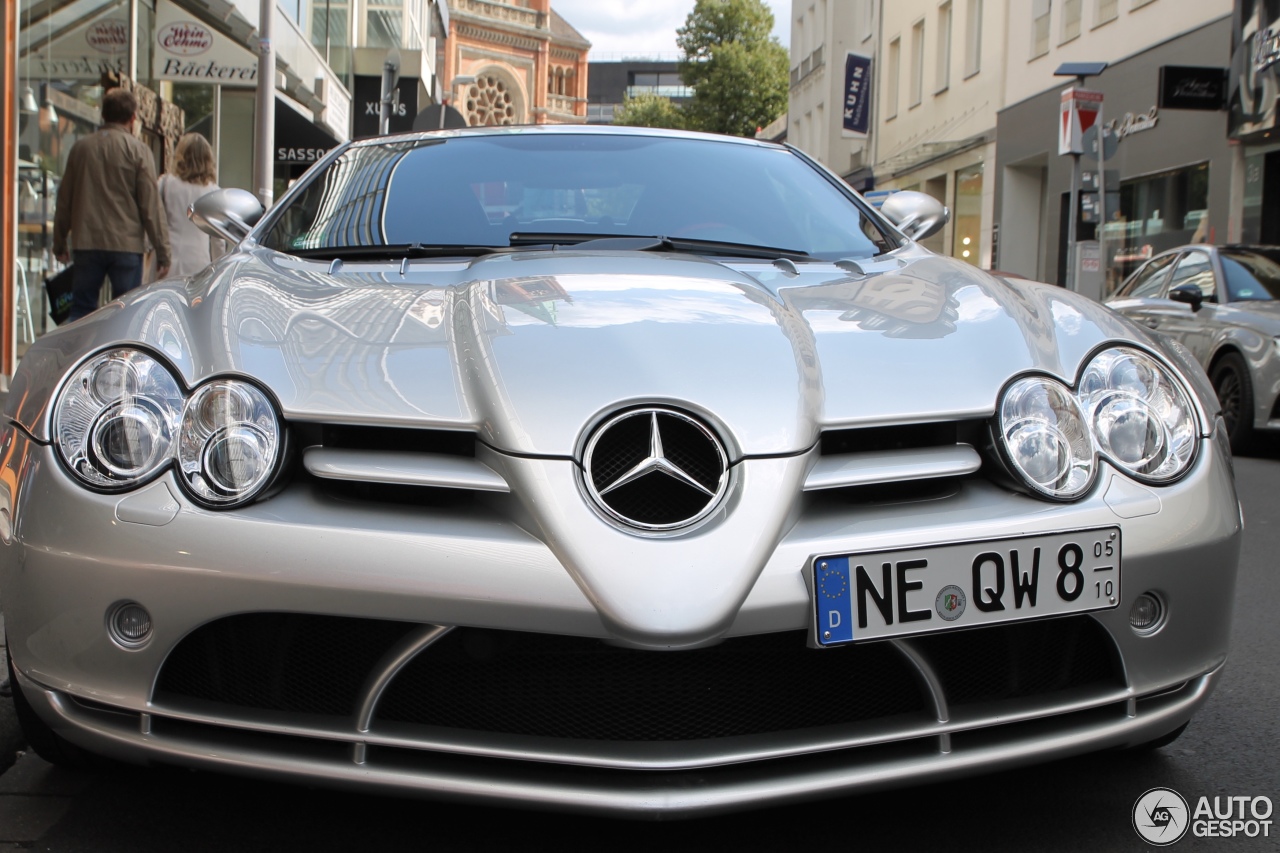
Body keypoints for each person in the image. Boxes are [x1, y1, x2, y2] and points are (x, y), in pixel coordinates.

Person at [53, 87, 171, 322]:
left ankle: (80, 355)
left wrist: (59, 242)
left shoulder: (81, 149)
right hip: (126, 244)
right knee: (125, 313)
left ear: (103, 115)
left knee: (82, 310)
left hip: (86, 241)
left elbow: (64, 199)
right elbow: (150, 206)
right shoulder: (138, 151)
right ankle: (119, 357)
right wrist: (163, 251)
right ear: (133, 118)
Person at [158, 132, 225, 277]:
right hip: (199, 263)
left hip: (168, 262)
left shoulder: (165, 184)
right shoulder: (214, 193)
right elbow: (218, 241)